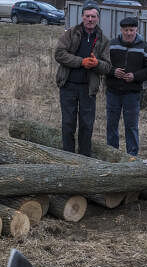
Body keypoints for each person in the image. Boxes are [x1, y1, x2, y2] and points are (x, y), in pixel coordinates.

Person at [54, 2, 112, 157]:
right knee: (68, 124)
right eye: (87, 16)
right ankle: (68, 157)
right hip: (68, 86)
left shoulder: (104, 40)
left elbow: (107, 67)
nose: (90, 19)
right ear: (82, 17)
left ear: (98, 18)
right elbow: (59, 54)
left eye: (93, 16)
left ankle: (85, 159)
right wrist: (81, 62)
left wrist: (96, 63)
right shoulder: (71, 33)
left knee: (86, 125)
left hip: (88, 88)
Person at [105, 16, 147, 156]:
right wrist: (112, 71)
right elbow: (103, 64)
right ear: (121, 30)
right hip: (113, 92)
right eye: (126, 30)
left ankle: (132, 156)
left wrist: (135, 76)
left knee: (131, 126)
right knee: (111, 125)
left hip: (132, 94)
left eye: (131, 30)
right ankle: (111, 153)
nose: (128, 33)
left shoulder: (143, 46)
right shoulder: (112, 44)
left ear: (136, 30)